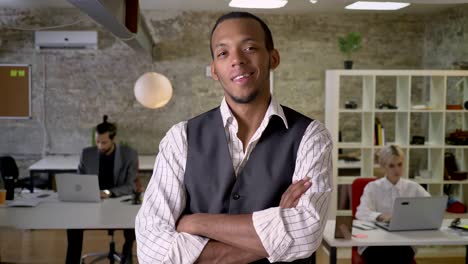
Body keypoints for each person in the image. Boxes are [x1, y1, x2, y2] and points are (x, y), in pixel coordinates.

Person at [136, 11, 332, 264]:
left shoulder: (311, 136)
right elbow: (151, 250)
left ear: (273, 58)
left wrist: (197, 223)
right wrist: (277, 231)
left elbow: (306, 234)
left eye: (249, 47)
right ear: (214, 70)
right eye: (223, 53)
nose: (237, 60)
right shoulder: (180, 138)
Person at [66, 115, 138, 264]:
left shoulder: (128, 154)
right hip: (92, 203)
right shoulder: (87, 154)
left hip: (118, 202)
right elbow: (80, 182)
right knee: (72, 224)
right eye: (97, 142)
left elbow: (130, 185)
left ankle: (126, 257)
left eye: (104, 142)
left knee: (134, 222)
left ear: (113, 139)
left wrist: (108, 193)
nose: (100, 146)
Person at [356, 145, 430, 264]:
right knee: (386, 256)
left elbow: (430, 206)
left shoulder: (413, 187)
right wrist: (381, 216)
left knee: (400, 254)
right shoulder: (372, 188)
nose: (397, 170)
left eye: (400, 164)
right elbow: (361, 212)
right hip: (375, 242)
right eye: (391, 165)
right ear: (383, 166)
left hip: (404, 242)